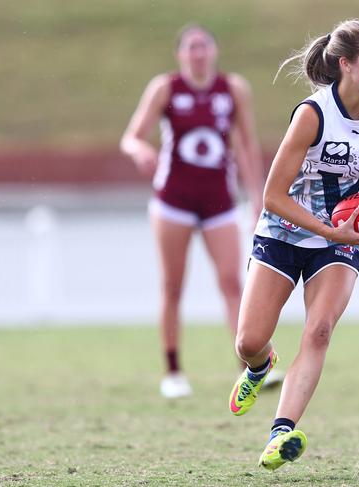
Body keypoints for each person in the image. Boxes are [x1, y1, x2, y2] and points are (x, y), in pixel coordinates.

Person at [227, 19, 359, 470]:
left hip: (340, 240)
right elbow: (272, 196)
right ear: (346, 64)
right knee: (248, 341)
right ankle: (260, 367)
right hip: (283, 229)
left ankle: (280, 433)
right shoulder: (312, 115)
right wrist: (329, 229)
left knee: (319, 330)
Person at [120, 24, 283, 399]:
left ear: (215, 50)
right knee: (172, 285)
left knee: (231, 281)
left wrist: (257, 194)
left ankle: (251, 366)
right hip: (172, 201)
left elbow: (245, 143)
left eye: (204, 46)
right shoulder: (166, 88)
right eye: (191, 47)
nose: (198, 53)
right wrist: (139, 150)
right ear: (181, 54)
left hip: (218, 201)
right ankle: (173, 371)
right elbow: (131, 136)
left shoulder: (233, 89)